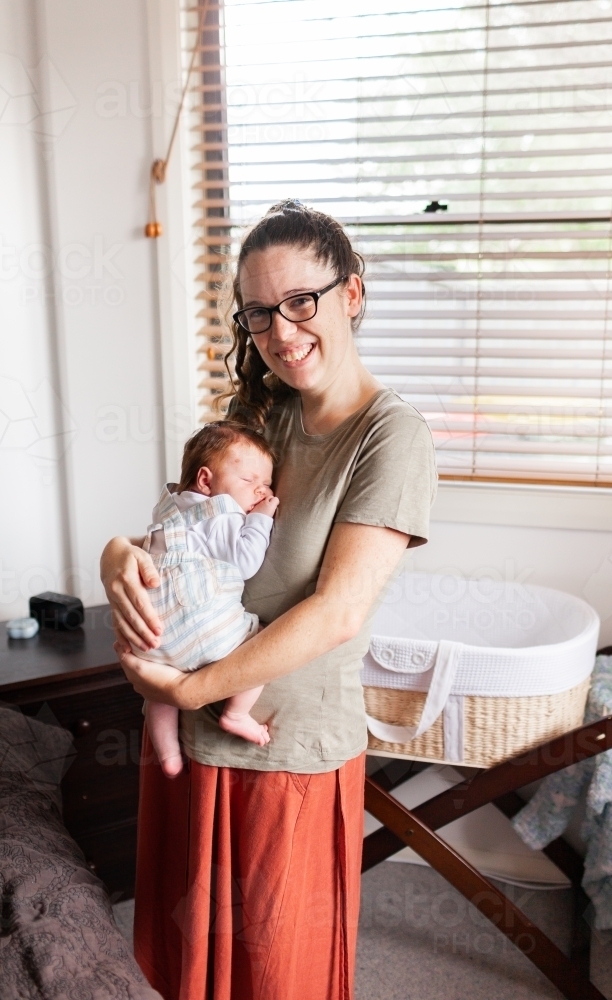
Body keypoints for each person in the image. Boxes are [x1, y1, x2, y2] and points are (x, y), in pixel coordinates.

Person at [101, 200, 437, 1000]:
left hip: (282, 750)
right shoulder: (259, 418)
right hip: (192, 741)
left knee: (273, 975)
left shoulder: (392, 438)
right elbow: (185, 530)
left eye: (300, 302)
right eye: (259, 314)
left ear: (350, 294)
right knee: (186, 970)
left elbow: (336, 612)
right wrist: (116, 555)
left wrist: (184, 689)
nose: (281, 332)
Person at [139, 421, 279, 778]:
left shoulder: (166, 512)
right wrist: (260, 519)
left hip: (156, 638)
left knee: (158, 693)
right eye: (250, 482)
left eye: (266, 485)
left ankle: (168, 753)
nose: (261, 493)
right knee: (262, 644)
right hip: (211, 633)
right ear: (206, 481)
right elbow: (245, 561)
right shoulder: (222, 512)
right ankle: (236, 714)